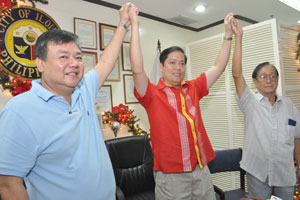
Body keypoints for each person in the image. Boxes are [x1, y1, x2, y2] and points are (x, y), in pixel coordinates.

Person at [0, 3, 134, 200]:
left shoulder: (84, 91)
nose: (74, 63)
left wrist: (123, 23)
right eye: (63, 57)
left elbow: (106, 61)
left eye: (78, 57)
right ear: (41, 63)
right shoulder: (19, 111)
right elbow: (9, 185)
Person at [128, 6, 236, 199]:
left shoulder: (193, 87)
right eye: (172, 62)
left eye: (182, 63)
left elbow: (219, 66)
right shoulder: (152, 93)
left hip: (201, 170)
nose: (178, 67)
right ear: (161, 66)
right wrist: (135, 25)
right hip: (171, 177)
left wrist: (228, 34)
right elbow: (137, 70)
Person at [231, 18, 300, 200]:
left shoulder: (289, 105)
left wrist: (299, 166)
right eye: (263, 76)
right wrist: (238, 37)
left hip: (285, 174)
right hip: (258, 173)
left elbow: (297, 137)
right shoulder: (250, 101)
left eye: (272, 76)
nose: (269, 80)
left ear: (277, 79)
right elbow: (237, 74)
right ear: (255, 81)